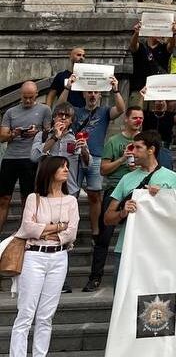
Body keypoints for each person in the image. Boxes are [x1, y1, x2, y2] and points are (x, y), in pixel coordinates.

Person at [8, 156, 79, 357]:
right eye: (62, 166)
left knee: (46, 317)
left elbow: (72, 233)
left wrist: (49, 231)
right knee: (25, 314)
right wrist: (58, 227)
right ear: (50, 171)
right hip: (34, 257)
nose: (66, 170)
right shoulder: (34, 198)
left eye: (67, 166)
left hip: (59, 257)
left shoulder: (71, 200)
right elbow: (27, 228)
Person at [103, 131, 176, 282]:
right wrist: (122, 212)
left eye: (138, 148)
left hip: (159, 250)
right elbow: (107, 218)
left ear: (151, 150)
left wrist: (162, 198)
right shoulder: (126, 179)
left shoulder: (172, 178)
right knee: (122, 300)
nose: (133, 152)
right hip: (128, 248)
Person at [82, 106, 143, 292]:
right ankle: (95, 277)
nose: (138, 121)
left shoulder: (146, 141)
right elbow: (103, 169)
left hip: (139, 190)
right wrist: (122, 159)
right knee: (104, 236)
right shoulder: (114, 141)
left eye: (141, 118)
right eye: (134, 118)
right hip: (116, 189)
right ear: (126, 119)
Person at [60, 74, 125, 237]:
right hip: (75, 156)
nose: (92, 95)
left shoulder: (104, 112)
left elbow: (121, 109)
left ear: (100, 95)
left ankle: (95, 230)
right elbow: (60, 106)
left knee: (95, 194)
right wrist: (68, 86)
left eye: (96, 92)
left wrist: (116, 90)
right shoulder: (75, 111)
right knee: (71, 194)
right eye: (89, 92)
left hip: (95, 157)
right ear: (83, 94)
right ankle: (69, 228)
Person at [0, 81, 53, 234]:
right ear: (20, 95)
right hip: (10, 157)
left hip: (31, 158)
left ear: (36, 94)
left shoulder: (45, 110)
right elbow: (2, 137)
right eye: (25, 97)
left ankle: (23, 234)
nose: (28, 100)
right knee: (3, 198)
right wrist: (14, 133)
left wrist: (37, 132)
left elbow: (49, 133)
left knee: (27, 199)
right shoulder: (11, 112)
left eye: (31, 97)